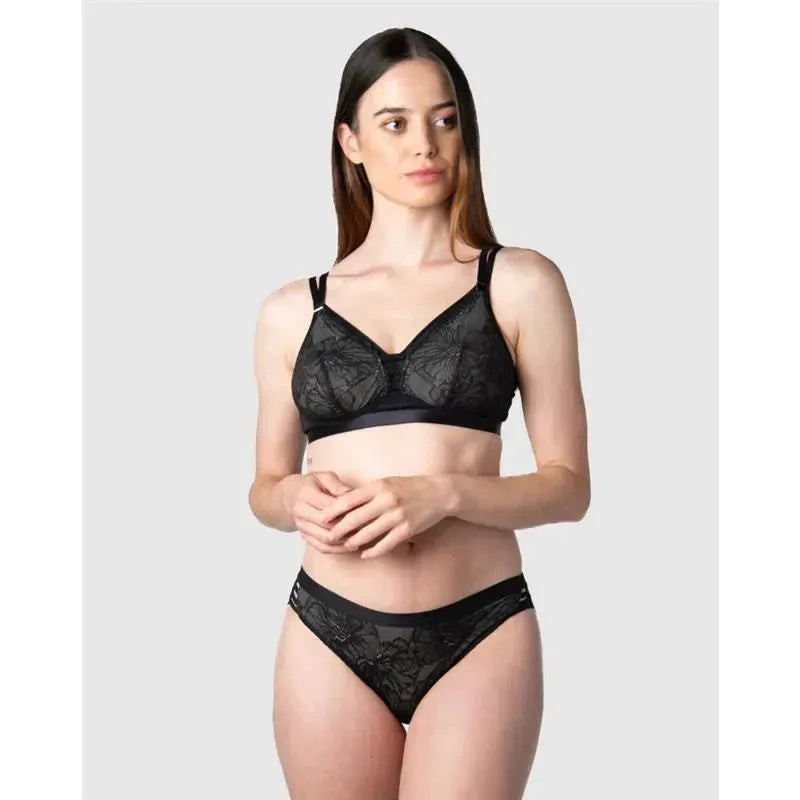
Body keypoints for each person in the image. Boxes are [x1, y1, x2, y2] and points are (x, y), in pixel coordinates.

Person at [248, 27, 590, 800]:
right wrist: (292, 495)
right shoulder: (291, 310)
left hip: (479, 629)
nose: (424, 144)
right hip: (328, 631)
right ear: (351, 142)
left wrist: (444, 495)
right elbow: (265, 486)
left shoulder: (519, 283)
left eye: (444, 119)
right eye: (395, 123)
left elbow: (569, 487)